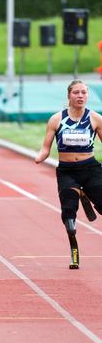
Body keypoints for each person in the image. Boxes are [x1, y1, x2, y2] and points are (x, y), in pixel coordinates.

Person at [35, 80, 102, 269]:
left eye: (83, 93)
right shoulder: (56, 119)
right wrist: (40, 156)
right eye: (76, 93)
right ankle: (74, 252)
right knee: (69, 215)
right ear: (69, 96)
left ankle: (87, 194)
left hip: (90, 169)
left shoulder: (95, 118)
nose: (80, 96)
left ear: (87, 95)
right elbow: (46, 147)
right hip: (67, 171)